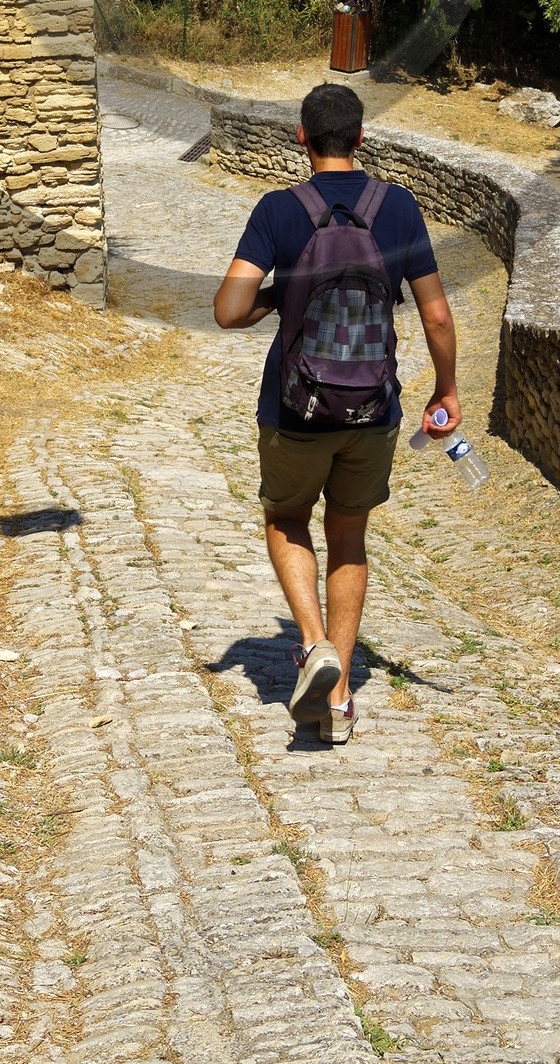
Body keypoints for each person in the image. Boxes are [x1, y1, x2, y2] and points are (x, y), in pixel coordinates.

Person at [212, 81, 460, 744]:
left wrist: (279, 293)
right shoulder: (399, 208)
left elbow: (229, 309)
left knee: (287, 518)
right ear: (359, 139)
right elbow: (435, 313)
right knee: (349, 539)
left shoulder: (278, 210)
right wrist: (447, 392)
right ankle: (341, 697)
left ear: (301, 137)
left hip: (294, 408)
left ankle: (315, 643)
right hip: (373, 408)